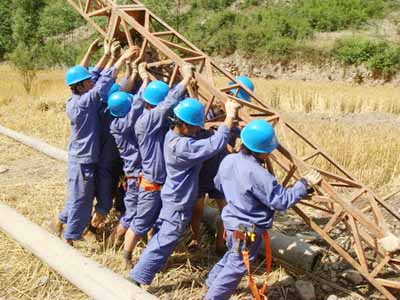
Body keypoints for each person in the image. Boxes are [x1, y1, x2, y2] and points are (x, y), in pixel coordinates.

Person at [204, 119, 322, 300]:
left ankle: (211, 283)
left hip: (230, 221)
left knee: (232, 255)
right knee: (237, 265)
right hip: (246, 229)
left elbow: (218, 184)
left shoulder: (229, 160)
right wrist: (303, 185)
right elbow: (282, 201)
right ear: (264, 151)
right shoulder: (258, 174)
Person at [128, 97, 241, 285]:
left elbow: (203, 136)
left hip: (172, 198)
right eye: (195, 127)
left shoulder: (172, 135)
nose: (198, 130)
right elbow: (214, 144)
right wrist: (229, 116)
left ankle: (142, 269)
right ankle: (137, 278)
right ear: (184, 125)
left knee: (161, 238)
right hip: (178, 203)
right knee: (165, 241)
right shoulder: (182, 147)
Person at [54, 41, 139, 246]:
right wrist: (123, 59)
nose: (92, 82)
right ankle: (71, 237)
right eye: (88, 82)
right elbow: (103, 81)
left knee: (81, 196)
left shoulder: (76, 98)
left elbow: (95, 75)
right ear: (81, 86)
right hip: (82, 159)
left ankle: (59, 223)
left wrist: (106, 55)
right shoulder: (84, 103)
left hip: (86, 157)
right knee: (81, 200)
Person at [121, 63, 194, 266]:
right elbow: (168, 103)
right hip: (152, 182)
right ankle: (126, 256)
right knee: (141, 222)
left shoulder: (158, 120)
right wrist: (186, 79)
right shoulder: (147, 121)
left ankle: (152, 257)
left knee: (157, 222)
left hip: (163, 182)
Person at [108, 62, 149, 247]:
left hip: (134, 174)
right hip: (135, 176)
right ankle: (112, 243)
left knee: (138, 210)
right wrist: (145, 78)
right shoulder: (123, 125)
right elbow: (137, 106)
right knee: (132, 212)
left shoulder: (117, 122)